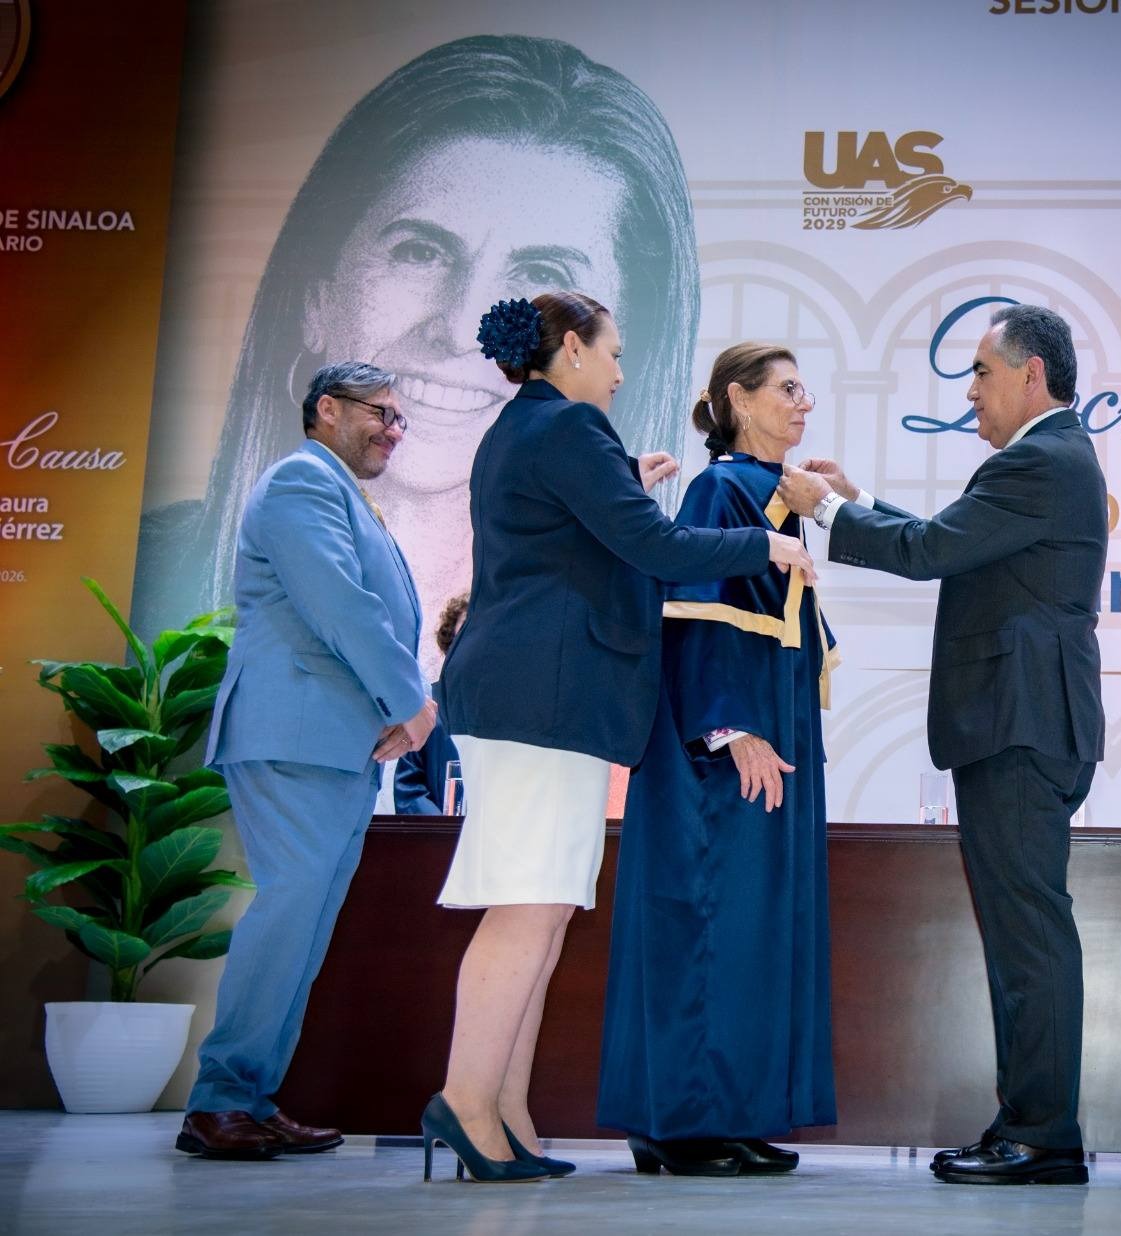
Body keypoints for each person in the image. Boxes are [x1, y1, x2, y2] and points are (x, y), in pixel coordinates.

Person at [132, 35, 702, 677]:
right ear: (316, 298)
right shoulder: (162, 567)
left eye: (539, 276)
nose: (460, 328)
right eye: (419, 252)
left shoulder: (653, 596)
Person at [423, 295, 812, 1184]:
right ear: (571, 348)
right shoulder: (568, 428)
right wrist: (763, 547)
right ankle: (466, 1102)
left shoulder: (529, 429)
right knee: (527, 906)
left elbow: (574, 535)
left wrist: (624, 479)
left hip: (538, 698)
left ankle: (507, 1114)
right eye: (613, 352)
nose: (621, 371)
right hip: (541, 698)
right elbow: (654, 544)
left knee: (546, 907)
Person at [778, 303, 1106, 1187]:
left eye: (982, 374)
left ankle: (1043, 1134)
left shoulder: (1040, 460)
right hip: (1022, 722)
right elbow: (955, 545)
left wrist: (828, 510)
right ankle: (1028, 1121)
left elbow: (929, 551)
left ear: (1031, 375)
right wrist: (856, 503)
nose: (970, 393)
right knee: (1022, 931)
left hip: (1020, 723)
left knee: (1029, 934)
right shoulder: (1049, 460)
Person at [177, 361, 437, 1160]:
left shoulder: (340, 492)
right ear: (327, 408)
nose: (393, 430)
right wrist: (414, 702)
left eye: (400, 419)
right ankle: (220, 1101)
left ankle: (252, 1095)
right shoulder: (302, 481)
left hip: (335, 742)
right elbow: (340, 606)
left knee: (307, 927)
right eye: (380, 413)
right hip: (296, 735)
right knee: (291, 914)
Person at [597, 344, 839, 1177]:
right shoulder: (718, 488)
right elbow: (690, 617)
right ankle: (679, 1123)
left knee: (748, 929)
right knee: (707, 920)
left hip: (769, 730)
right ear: (738, 398)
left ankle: (729, 1112)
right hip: (721, 749)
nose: (804, 403)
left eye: (805, 389)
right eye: (787, 388)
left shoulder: (775, 495)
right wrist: (731, 729)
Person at [394, 593, 467, 816]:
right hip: (440, 833)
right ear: (450, 642)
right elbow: (408, 788)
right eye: (466, 630)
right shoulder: (427, 704)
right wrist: (443, 829)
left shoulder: (514, 711)